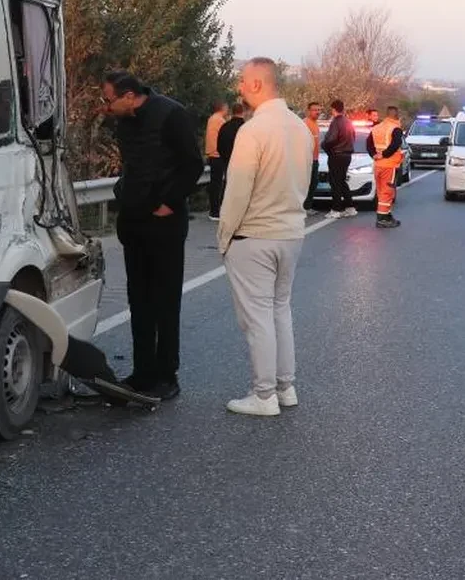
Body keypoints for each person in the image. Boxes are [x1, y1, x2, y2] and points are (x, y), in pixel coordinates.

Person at [218, 58, 315, 416]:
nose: (239, 86)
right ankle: (285, 388)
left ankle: (263, 396)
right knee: (279, 311)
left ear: (257, 84)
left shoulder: (253, 131)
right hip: (291, 232)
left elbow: (237, 191)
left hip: (254, 235)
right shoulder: (300, 128)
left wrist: (224, 237)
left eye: (242, 80)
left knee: (257, 318)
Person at [102, 71, 205, 400]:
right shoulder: (125, 121)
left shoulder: (170, 114)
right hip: (134, 222)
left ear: (129, 96)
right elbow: (133, 167)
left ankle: (166, 375)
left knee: (164, 301)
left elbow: (192, 165)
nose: (106, 106)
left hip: (165, 224)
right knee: (138, 300)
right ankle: (142, 373)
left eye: (109, 99)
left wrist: (168, 203)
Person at [367, 106, 405, 229]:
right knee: (387, 192)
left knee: (381, 191)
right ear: (396, 115)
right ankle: (382, 218)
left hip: (378, 165)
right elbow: (396, 144)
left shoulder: (377, 127)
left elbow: (369, 143)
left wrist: (375, 155)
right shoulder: (395, 128)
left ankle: (387, 215)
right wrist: (384, 154)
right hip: (390, 164)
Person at [321, 99, 358, 218]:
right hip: (347, 155)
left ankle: (336, 209)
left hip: (336, 155)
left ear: (333, 109)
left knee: (335, 182)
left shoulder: (336, 122)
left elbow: (331, 138)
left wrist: (324, 145)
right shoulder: (348, 121)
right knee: (341, 181)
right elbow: (353, 137)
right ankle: (350, 207)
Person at [204, 101, 230, 221]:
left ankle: (214, 210)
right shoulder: (219, 120)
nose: (228, 109)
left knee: (216, 183)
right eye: (226, 107)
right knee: (218, 184)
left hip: (213, 155)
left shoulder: (212, 119)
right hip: (217, 155)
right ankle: (215, 211)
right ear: (222, 108)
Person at [303, 102, 323, 214]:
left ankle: (307, 207)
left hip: (315, 159)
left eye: (319, 110)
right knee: (307, 183)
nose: (318, 112)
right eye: (315, 110)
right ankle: (305, 207)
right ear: (308, 111)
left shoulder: (315, 124)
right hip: (307, 160)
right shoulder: (305, 124)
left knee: (313, 182)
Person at [217, 101, 245, 168]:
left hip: (228, 163)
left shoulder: (224, 126)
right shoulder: (246, 127)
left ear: (232, 112)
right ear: (243, 111)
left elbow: (219, 146)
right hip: (244, 164)